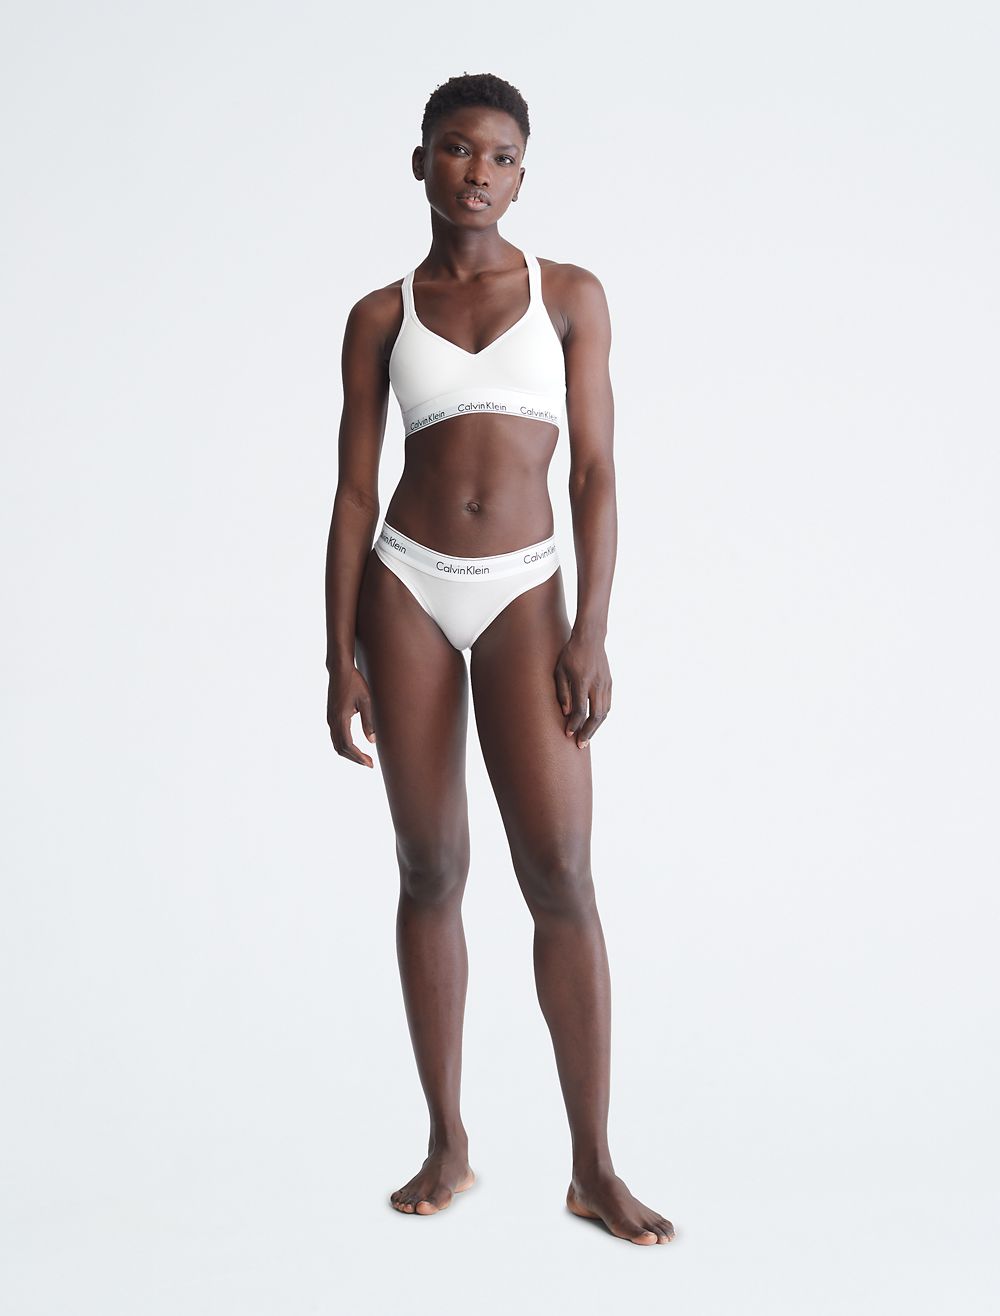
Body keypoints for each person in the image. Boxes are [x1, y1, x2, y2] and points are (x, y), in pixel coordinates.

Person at [325, 72, 674, 1246]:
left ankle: (593, 1165)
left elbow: (595, 471)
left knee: (561, 873)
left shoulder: (568, 295)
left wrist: (592, 627)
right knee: (429, 866)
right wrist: (336, 653)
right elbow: (353, 490)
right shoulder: (379, 314)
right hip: (404, 588)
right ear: (419, 160)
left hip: (527, 590)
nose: (478, 171)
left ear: (523, 175)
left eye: (501, 156)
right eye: (457, 148)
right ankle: (447, 1139)